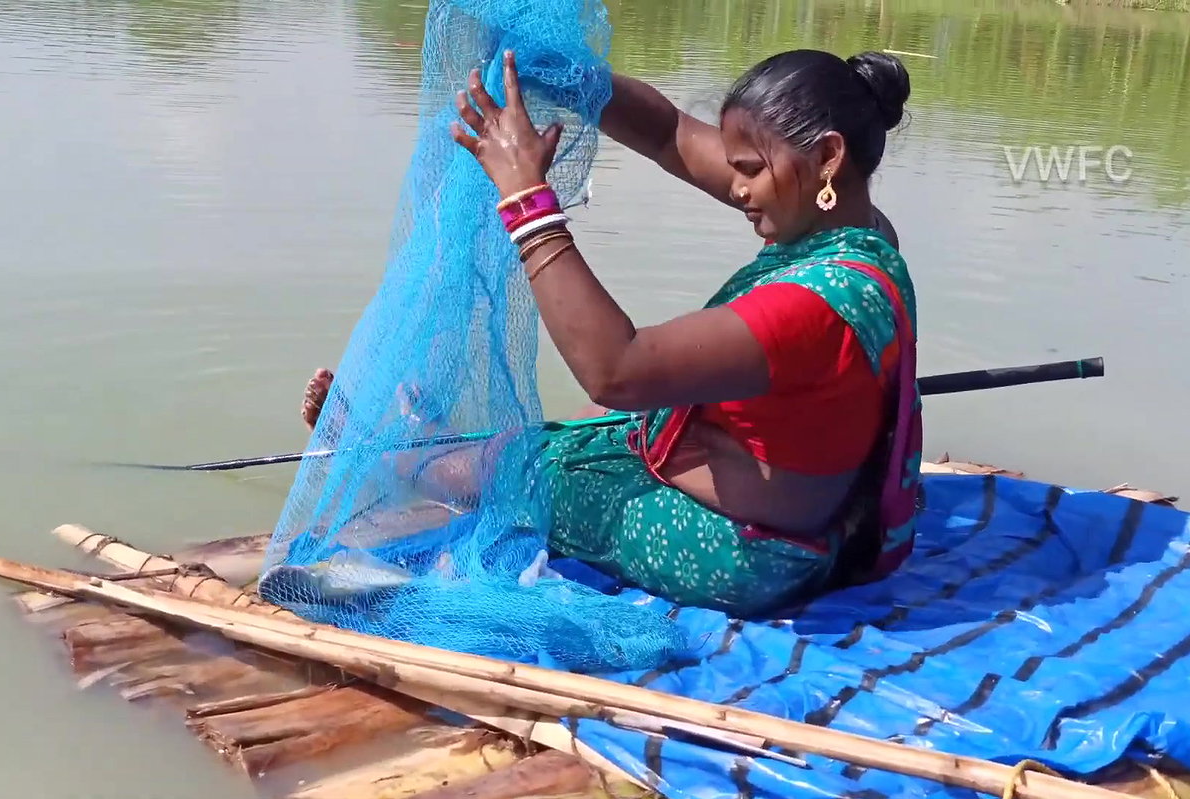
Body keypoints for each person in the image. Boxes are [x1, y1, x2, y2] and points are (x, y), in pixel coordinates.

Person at [301, 49, 920, 617]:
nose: (736, 189)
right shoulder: (860, 232)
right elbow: (667, 132)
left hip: (744, 554)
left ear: (828, 157)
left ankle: (392, 450)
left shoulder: (817, 302)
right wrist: (568, 74)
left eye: (752, 171)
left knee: (521, 467)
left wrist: (524, 193)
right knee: (592, 423)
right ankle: (430, 445)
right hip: (819, 523)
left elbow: (618, 368)